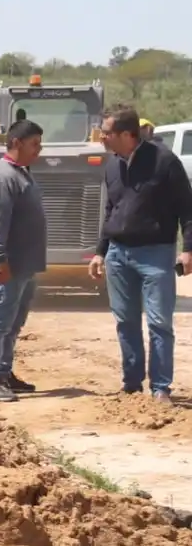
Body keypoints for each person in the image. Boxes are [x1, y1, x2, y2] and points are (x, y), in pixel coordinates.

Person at [92, 106, 192, 401]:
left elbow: (187, 210)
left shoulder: (164, 162)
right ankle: (132, 386)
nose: (102, 138)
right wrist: (101, 252)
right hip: (118, 255)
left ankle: (160, 388)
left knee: (159, 323)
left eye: (107, 133)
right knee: (126, 321)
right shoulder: (112, 165)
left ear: (126, 134)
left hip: (156, 255)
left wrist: (188, 249)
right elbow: (111, 211)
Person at [0, 119, 47, 402]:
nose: (38, 150)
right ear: (16, 143)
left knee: (13, 322)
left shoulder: (20, 173)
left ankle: (4, 373)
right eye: (34, 144)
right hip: (9, 266)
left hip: (24, 265)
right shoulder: (2, 176)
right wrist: (0, 260)